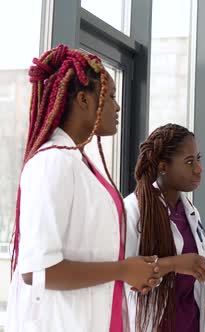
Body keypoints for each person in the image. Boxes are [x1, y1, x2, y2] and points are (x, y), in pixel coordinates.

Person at [7, 44, 160, 331]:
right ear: (83, 100)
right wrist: (124, 270)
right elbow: (37, 271)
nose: (117, 107)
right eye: (111, 96)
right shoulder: (51, 164)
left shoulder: (79, 162)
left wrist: (132, 269)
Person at [124, 123, 205, 332]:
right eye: (189, 162)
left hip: (191, 323)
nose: (198, 168)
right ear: (163, 167)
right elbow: (124, 274)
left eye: (198, 159)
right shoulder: (134, 210)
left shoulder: (189, 210)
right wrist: (174, 264)